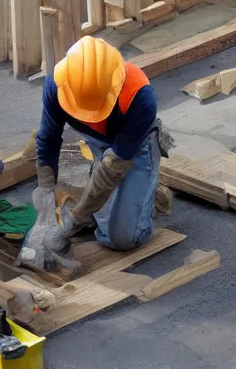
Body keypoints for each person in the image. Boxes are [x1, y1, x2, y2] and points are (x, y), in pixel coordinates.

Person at [33, 36, 165, 256]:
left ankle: (149, 191)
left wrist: (74, 221)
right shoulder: (58, 84)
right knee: (97, 214)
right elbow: (47, 140)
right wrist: (45, 190)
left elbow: (112, 168)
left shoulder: (139, 96)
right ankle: (131, 195)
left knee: (122, 239)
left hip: (133, 149)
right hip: (97, 144)